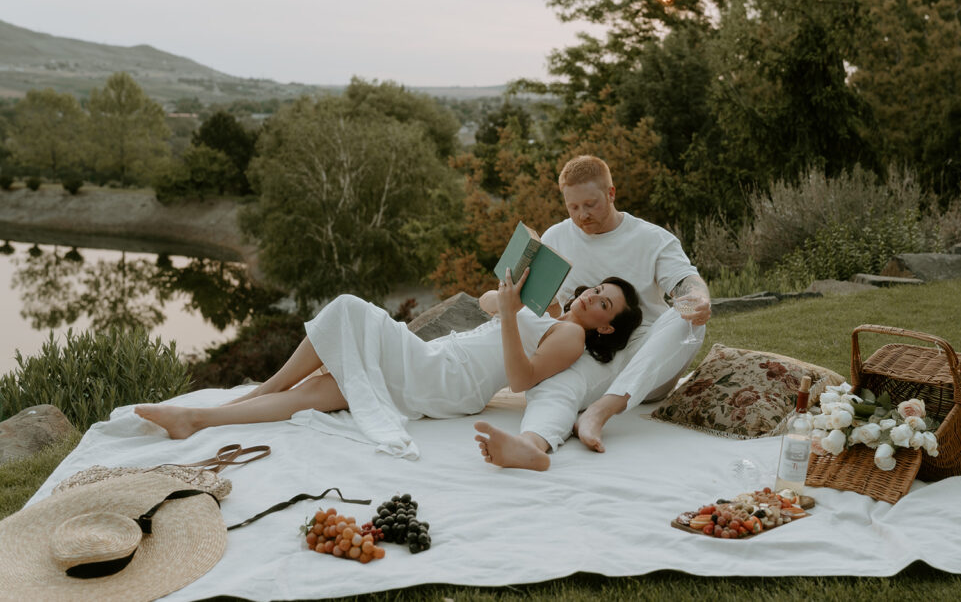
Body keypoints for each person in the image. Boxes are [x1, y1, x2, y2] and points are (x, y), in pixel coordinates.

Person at [135, 268, 642, 459]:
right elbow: (488, 304)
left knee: (348, 309)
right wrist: (509, 292)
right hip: (435, 360)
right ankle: (197, 419)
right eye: (597, 289)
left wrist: (512, 314)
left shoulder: (572, 337)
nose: (593, 298)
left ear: (604, 326)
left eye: (605, 304)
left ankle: (256, 389)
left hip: (447, 379)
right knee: (329, 388)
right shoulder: (549, 309)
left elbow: (520, 379)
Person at [474, 155, 711, 470]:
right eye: (573, 208)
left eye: (591, 204)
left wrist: (697, 297)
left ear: (611, 194)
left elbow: (685, 282)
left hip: (647, 355)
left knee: (689, 320)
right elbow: (546, 306)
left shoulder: (651, 238)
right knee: (554, 385)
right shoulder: (556, 237)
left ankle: (600, 412)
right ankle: (529, 446)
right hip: (586, 352)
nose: (582, 215)